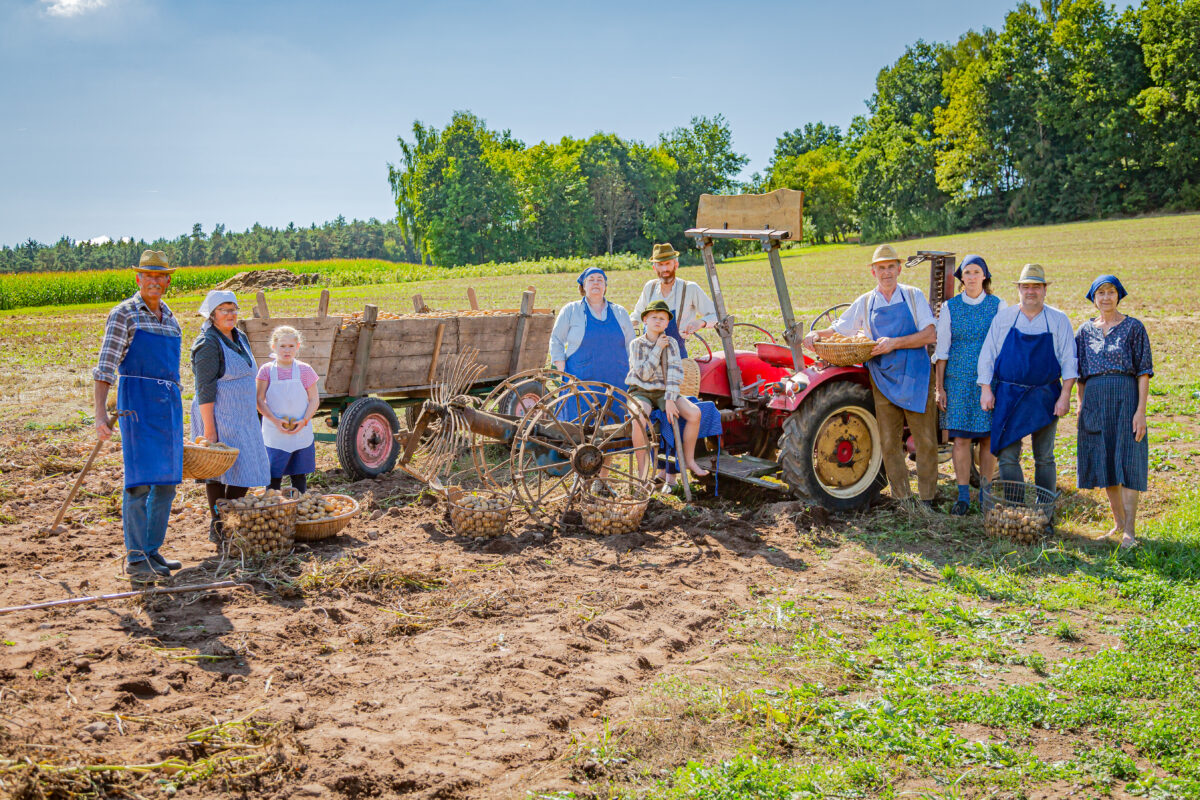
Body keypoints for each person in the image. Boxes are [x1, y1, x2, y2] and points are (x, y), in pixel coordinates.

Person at [803, 244, 939, 506]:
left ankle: (928, 499)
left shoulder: (913, 296)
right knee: (888, 442)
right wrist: (817, 335)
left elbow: (929, 334)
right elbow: (840, 328)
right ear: (873, 272)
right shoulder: (866, 301)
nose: (886, 272)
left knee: (924, 441)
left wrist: (894, 343)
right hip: (883, 377)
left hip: (915, 376)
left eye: (890, 267)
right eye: (881, 268)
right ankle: (903, 499)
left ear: (899, 269)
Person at [92, 250, 184, 582]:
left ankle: (151, 550)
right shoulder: (125, 315)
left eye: (161, 276)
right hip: (138, 405)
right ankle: (134, 559)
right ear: (138, 279)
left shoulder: (172, 319)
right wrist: (100, 413)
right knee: (139, 483)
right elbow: (105, 367)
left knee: (167, 483)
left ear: (168, 281)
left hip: (169, 405)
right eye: (149, 275)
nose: (155, 281)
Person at [978, 264, 1078, 495]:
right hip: (1008, 396)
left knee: (1044, 457)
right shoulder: (1004, 318)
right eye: (1026, 287)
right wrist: (986, 389)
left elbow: (1069, 361)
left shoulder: (1058, 319)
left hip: (1045, 396)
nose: (1030, 291)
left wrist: (1065, 396)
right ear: (1019, 290)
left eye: (1036, 286)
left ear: (1045, 290)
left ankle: (1045, 511)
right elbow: (987, 356)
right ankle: (1016, 509)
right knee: (1007, 456)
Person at [1075, 275, 1152, 549]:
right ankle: (1118, 524)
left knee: (1129, 460)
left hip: (1126, 398)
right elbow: (1080, 376)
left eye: (1111, 292)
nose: (1106, 297)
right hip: (1095, 399)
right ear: (1093, 298)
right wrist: (1081, 407)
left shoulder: (1133, 327)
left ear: (1118, 295)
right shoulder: (1084, 331)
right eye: (1101, 293)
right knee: (1106, 459)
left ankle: (1130, 531)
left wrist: (1140, 411)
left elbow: (1143, 372)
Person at [190, 290, 270, 536]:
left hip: (243, 417)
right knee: (217, 470)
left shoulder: (239, 337)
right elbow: (204, 388)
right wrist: (209, 431)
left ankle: (229, 520)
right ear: (212, 314)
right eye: (224, 310)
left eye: (233, 309)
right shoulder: (207, 344)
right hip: (218, 416)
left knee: (242, 469)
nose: (230, 314)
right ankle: (219, 524)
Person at [934, 254, 1006, 515]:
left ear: (984, 276)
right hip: (958, 380)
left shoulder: (998, 306)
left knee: (988, 439)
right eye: (967, 272)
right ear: (961, 277)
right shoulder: (950, 307)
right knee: (961, 440)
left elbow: (1003, 346)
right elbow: (942, 351)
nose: (972, 277)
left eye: (976, 272)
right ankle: (963, 496)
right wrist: (939, 388)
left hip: (988, 381)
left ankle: (985, 494)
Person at [627, 300, 708, 480]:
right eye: (654, 317)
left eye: (662, 318)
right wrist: (657, 349)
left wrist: (670, 399)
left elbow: (675, 372)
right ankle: (642, 474)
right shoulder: (637, 345)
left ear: (666, 323)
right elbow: (644, 374)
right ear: (645, 319)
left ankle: (689, 460)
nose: (658, 321)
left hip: (665, 392)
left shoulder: (671, 343)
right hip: (641, 391)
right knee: (639, 417)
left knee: (694, 413)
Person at [549, 266, 636, 412]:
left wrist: (633, 370)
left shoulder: (619, 312)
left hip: (617, 380)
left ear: (605, 286)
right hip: (581, 380)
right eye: (591, 280)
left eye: (600, 280)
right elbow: (556, 339)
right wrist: (561, 368)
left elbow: (631, 345)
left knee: (617, 421)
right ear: (583, 286)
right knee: (578, 422)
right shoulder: (571, 310)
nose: (596, 283)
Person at [256, 325, 320, 494]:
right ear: (273, 347)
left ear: (297, 347)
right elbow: (259, 400)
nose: (287, 350)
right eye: (282, 346)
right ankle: (272, 507)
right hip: (275, 430)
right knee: (273, 475)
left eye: (291, 346)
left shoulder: (305, 370)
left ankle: (298, 506)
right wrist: (275, 420)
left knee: (299, 475)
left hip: (300, 429)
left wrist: (304, 420)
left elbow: (314, 399)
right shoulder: (267, 371)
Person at [629, 242, 717, 357]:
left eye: (668, 263)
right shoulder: (649, 287)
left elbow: (717, 315)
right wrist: (627, 325)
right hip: (649, 356)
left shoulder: (689, 288)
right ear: (654, 268)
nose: (665, 269)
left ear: (676, 265)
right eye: (660, 264)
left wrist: (701, 322)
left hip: (677, 357)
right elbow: (637, 315)